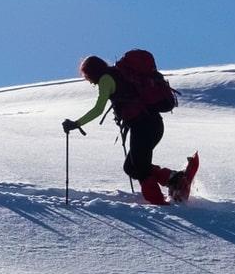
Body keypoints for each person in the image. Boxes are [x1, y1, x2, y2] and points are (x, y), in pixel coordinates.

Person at [62, 52, 197, 204]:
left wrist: (76, 123)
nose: (88, 80)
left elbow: (98, 109)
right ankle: (176, 179)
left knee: (139, 167)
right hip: (152, 125)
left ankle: (160, 203)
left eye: (87, 76)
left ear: (93, 72)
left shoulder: (106, 79)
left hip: (143, 126)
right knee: (131, 167)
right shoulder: (119, 74)